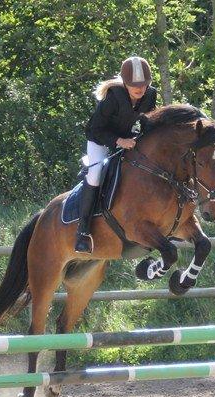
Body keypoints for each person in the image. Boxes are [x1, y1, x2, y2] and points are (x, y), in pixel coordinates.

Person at [76, 56, 158, 254]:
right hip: (100, 139)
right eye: (134, 85)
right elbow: (94, 129)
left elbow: (150, 121)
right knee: (95, 175)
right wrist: (118, 141)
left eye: (144, 84)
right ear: (125, 83)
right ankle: (83, 232)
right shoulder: (112, 97)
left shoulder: (150, 95)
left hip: (127, 137)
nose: (140, 89)